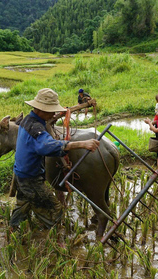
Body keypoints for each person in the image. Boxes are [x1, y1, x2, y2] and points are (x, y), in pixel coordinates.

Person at [10, 88, 100, 230]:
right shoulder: (36, 128)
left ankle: (13, 230)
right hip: (31, 178)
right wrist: (82, 144)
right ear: (41, 109)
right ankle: (53, 238)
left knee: (23, 204)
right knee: (55, 209)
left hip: (21, 173)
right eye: (51, 110)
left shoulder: (27, 120)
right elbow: (47, 146)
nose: (53, 113)